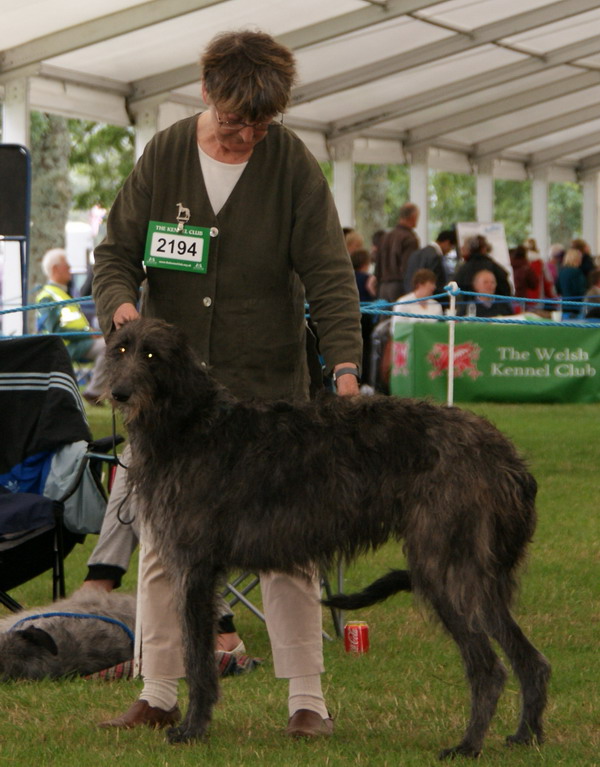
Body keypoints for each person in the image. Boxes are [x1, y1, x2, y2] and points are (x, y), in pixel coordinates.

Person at [91, 30, 362, 738]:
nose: (250, 135)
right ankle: (158, 692)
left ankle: (308, 698)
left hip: (270, 392)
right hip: (169, 400)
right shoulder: (166, 153)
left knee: (289, 547)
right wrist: (121, 302)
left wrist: (344, 367)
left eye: (263, 124)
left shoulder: (292, 164)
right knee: (160, 543)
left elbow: (330, 274)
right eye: (239, 120)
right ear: (208, 92)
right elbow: (116, 250)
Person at [81, 446, 246, 655]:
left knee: (147, 462)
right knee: (138, 451)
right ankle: (99, 581)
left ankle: (98, 582)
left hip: (256, 507)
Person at [36, 248, 108, 405]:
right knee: (110, 346)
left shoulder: (62, 293)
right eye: (66, 266)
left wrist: (89, 333)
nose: (70, 269)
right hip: (67, 346)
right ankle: (94, 391)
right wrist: (87, 334)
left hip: (79, 343)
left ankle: (101, 390)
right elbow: (56, 331)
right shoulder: (48, 296)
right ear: (55, 269)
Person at [375, 202, 420, 303]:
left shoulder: (385, 236)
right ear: (413, 217)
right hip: (399, 286)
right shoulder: (410, 238)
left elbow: (378, 265)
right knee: (400, 318)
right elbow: (409, 267)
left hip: (383, 287)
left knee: (384, 318)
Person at [454, 235, 512, 306]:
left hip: (468, 309)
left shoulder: (463, 269)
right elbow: (506, 290)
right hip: (497, 308)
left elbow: (456, 292)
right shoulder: (495, 267)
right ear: (484, 248)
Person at [403, 229, 456, 303]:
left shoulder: (416, 254)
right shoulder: (435, 257)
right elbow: (436, 283)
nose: (449, 251)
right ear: (447, 243)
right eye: (452, 247)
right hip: (427, 300)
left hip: (411, 296)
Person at [556, 248, 587, 317]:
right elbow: (580, 290)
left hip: (564, 304)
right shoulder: (577, 272)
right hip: (576, 305)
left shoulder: (562, 272)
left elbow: (557, 288)